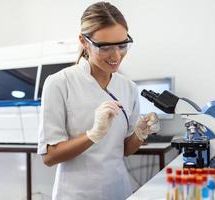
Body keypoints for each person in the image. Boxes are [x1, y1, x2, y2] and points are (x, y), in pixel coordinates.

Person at [37, 2, 160, 200]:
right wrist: (93, 134)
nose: (116, 55)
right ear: (84, 41)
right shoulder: (60, 83)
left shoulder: (128, 87)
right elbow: (49, 156)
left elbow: (125, 150)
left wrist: (140, 133)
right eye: (105, 47)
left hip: (119, 190)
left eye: (122, 45)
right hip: (77, 194)